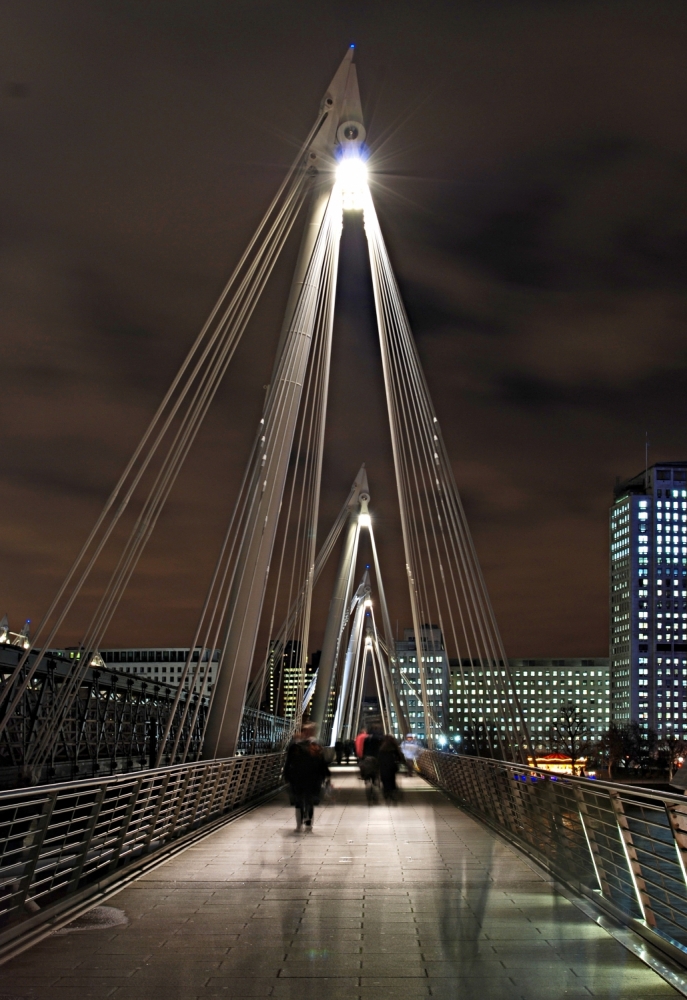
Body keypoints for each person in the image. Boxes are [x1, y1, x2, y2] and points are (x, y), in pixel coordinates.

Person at [283, 723, 330, 831]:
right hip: (306, 778)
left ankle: (304, 822)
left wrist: (325, 775)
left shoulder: (298, 746)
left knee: (305, 801)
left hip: (305, 778)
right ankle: (303, 823)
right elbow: (289, 762)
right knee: (303, 800)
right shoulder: (313, 746)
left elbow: (322, 763)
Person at [378, 734, 405, 801]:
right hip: (392, 766)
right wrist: (401, 761)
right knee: (392, 778)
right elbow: (400, 756)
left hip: (383, 766)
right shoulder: (394, 747)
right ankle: (392, 791)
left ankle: (386, 791)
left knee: (384, 779)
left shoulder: (382, 747)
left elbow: (379, 758)